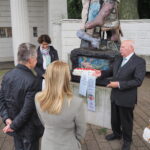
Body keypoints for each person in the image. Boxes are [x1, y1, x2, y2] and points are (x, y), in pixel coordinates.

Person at [99, 40, 146, 150]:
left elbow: (138, 81)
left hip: (127, 98)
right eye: (121, 47)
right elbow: (110, 71)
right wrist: (99, 73)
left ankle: (127, 141)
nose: (120, 49)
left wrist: (119, 84)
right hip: (115, 95)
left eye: (123, 47)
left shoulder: (139, 62)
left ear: (131, 48)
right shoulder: (118, 59)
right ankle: (116, 134)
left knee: (126, 121)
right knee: (114, 119)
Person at [0, 43, 44, 150]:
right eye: (36, 58)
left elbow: (1, 100)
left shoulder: (7, 75)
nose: (37, 61)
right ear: (30, 59)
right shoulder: (33, 81)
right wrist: (10, 123)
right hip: (28, 130)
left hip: (14, 125)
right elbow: (28, 110)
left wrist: (7, 120)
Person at [35, 60, 86, 150]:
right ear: (67, 78)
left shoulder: (38, 98)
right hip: (69, 145)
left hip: (47, 145)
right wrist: (77, 142)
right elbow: (81, 131)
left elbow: (44, 121)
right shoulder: (77, 103)